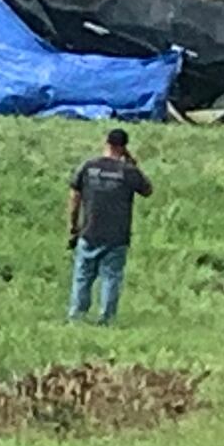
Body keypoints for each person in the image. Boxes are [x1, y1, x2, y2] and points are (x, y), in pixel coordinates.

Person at [67, 128, 154, 325]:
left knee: (82, 276)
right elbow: (148, 190)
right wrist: (133, 164)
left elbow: (74, 196)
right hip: (117, 235)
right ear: (123, 148)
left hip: (89, 230)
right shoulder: (128, 172)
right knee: (111, 278)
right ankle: (106, 319)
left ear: (106, 143)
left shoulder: (88, 167)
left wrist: (73, 225)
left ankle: (76, 316)